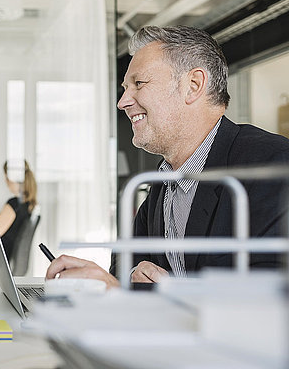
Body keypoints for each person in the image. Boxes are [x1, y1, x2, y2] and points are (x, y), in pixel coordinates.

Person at [47, 25, 289, 288]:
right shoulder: (164, 181)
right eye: (126, 87)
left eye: (139, 83)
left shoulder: (274, 165)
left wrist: (174, 293)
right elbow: (123, 266)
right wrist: (119, 282)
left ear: (193, 85)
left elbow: (273, 300)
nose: (123, 101)